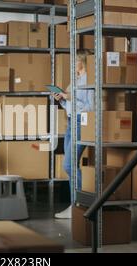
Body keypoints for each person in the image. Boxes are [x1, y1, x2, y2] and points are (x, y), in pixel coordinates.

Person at [53, 50, 94, 219]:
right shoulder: (75, 80)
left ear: (82, 62)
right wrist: (62, 99)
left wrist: (69, 97)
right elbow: (70, 103)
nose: (72, 63)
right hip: (71, 123)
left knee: (69, 165)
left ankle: (80, 204)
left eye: (74, 60)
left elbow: (91, 107)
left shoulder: (89, 80)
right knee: (71, 165)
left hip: (81, 123)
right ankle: (75, 205)